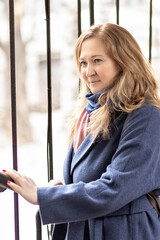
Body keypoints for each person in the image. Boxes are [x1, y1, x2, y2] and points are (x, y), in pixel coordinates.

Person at [3, 23, 160, 240]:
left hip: (123, 231)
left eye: (97, 60)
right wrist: (64, 186)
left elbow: (116, 188)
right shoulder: (89, 111)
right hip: (87, 228)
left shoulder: (145, 115)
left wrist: (42, 195)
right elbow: (88, 174)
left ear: (124, 61)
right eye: (83, 62)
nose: (88, 71)